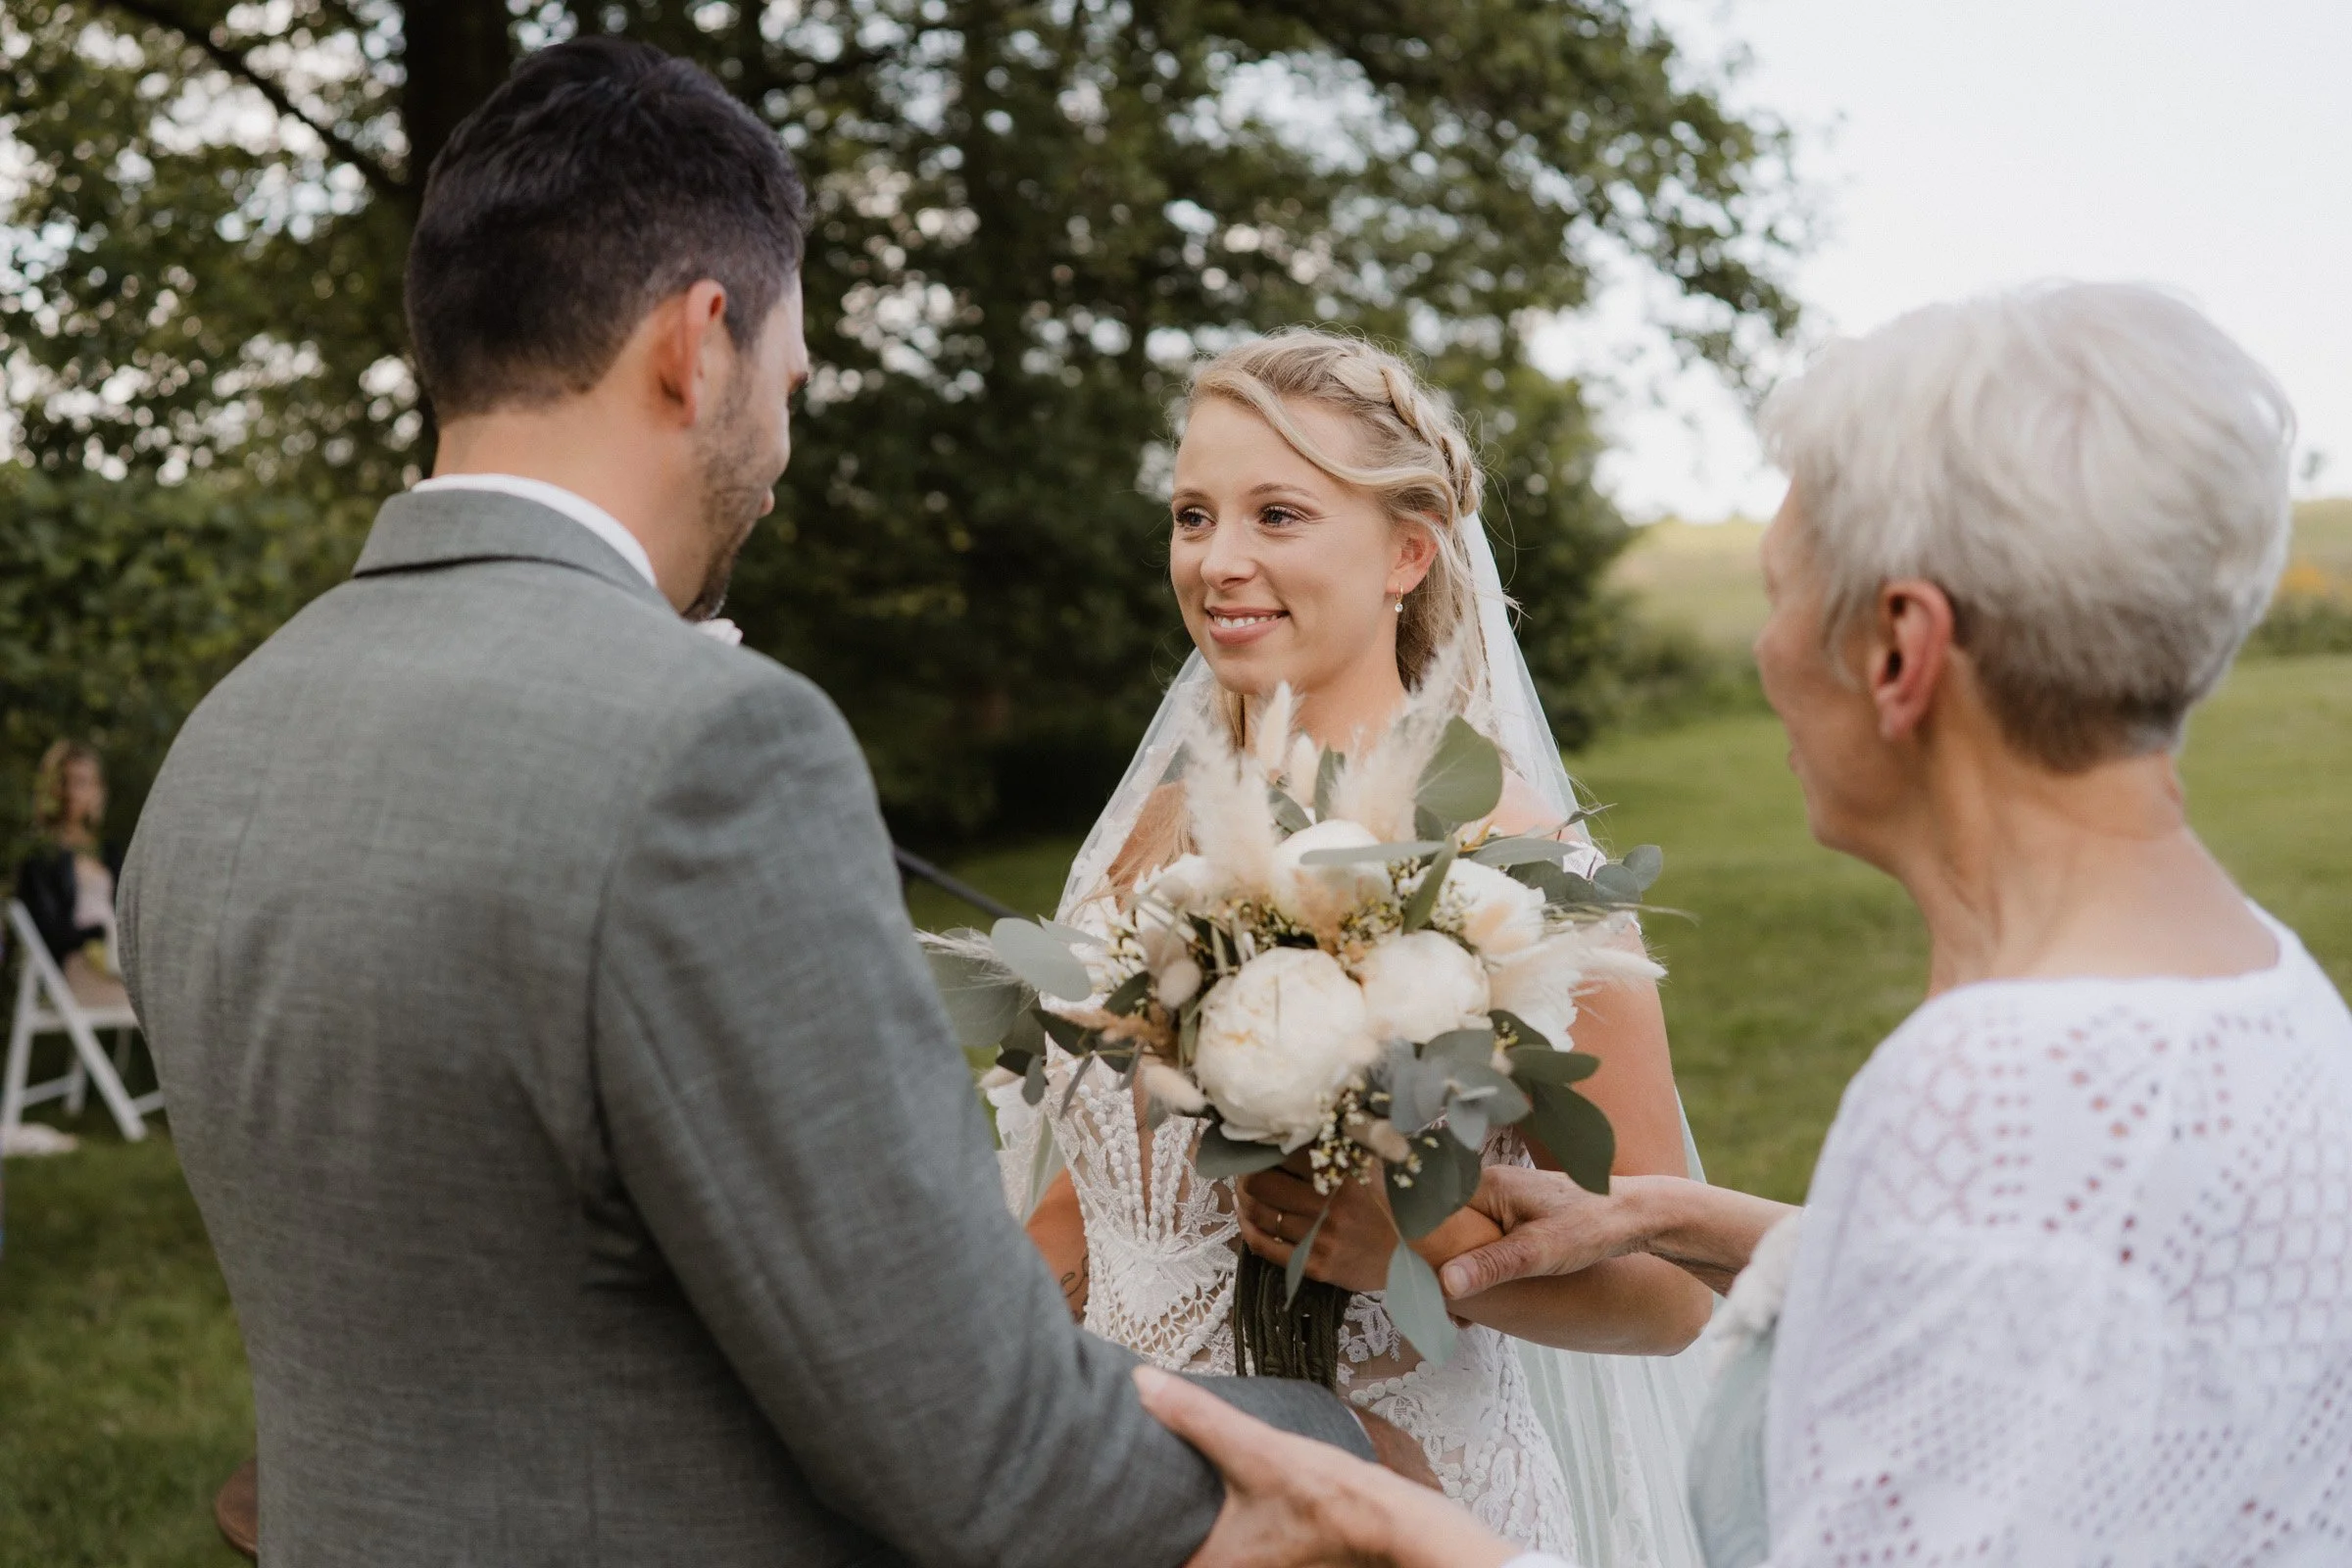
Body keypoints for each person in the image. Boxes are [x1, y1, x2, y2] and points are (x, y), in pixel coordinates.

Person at [119, 39, 1379, 1568]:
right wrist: (1345, 1448)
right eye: (787, 385)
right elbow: (988, 1452)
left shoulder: (229, 739)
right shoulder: (708, 751)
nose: (778, 457)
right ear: (697, 344)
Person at [1138, 282, 2352, 1566]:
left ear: (1901, 650)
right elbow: (2068, 1321)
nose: (1766, 652)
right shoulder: (2270, 994)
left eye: (1783, 591)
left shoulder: (1994, 1086)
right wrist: (1700, 1224)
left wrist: (1411, 1533)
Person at [992, 329, 1717, 1563]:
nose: (1218, 560)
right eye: (1192, 516)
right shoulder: (1151, 839)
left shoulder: (1518, 869)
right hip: (1139, 1499)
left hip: (1403, 1506)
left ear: (1408, 551)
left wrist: (1421, 1251)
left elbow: (1672, 1293)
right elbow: (1096, 1204)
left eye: (1277, 514)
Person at [15, 740, 129, 1010]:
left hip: (115, 961)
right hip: (71, 969)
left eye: (82, 782)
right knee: (162, 1002)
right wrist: (98, 933)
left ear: (98, 790)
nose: (72, 792)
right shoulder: (40, 855)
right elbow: (49, 933)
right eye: (64, 781)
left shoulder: (107, 852)